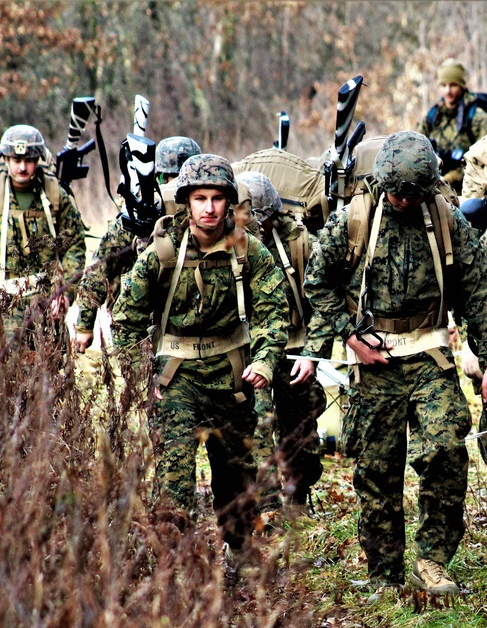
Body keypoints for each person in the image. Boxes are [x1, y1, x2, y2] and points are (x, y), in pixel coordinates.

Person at [296, 131, 487, 596]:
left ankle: (432, 561)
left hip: (430, 354)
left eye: (414, 193)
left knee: (446, 453)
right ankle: (384, 574)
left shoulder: (446, 220)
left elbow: (481, 292)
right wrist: (351, 337)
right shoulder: (355, 219)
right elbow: (318, 283)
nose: (404, 201)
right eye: (396, 192)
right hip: (374, 362)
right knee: (377, 469)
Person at [110, 154, 288, 559]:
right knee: (173, 477)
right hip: (177, 378)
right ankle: (174, 565)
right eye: (200, 198)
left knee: (236, 478)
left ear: (230, 202)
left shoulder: (249, 251)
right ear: (186, 201)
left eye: (217, 199)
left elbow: (273, 312)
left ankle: (239, 552)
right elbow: (127, 319)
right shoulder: (161, 252)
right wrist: (140, 375)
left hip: (231, 377)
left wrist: (264, 360)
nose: (209, 208)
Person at [235, 170, 327, 520]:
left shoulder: (303, 243)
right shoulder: (226, 245)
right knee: (257, 425)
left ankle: (299, 494)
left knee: (301, 430)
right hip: (250, 351)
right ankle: (268, 504)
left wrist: (312, 352)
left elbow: (325, 300)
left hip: (295, 347)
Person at [73, 136, 202, 353]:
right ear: (159, 177)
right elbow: (100, 268)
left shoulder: (208, 212)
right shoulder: (140, 214)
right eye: (171, 178)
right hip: (143, 322)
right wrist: (85, 324)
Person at [0, 125, 86, 343]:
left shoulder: (54, 196)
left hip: (46, 308)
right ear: (5, 159)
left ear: (38, 160)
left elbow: (74, 247)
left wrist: (66, 294)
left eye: (29, 161)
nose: (23, 167)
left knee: (52, 372)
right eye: (16, 160)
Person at [417, 58, 487, 195]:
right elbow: (416, 153)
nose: (448, 91)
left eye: (453, 85)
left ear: (462, 86)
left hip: (469, 193)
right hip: (433, 191)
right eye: (443, 85)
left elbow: (485, 162)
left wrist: (451, 178)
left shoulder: (478, 119)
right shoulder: (431, 117)